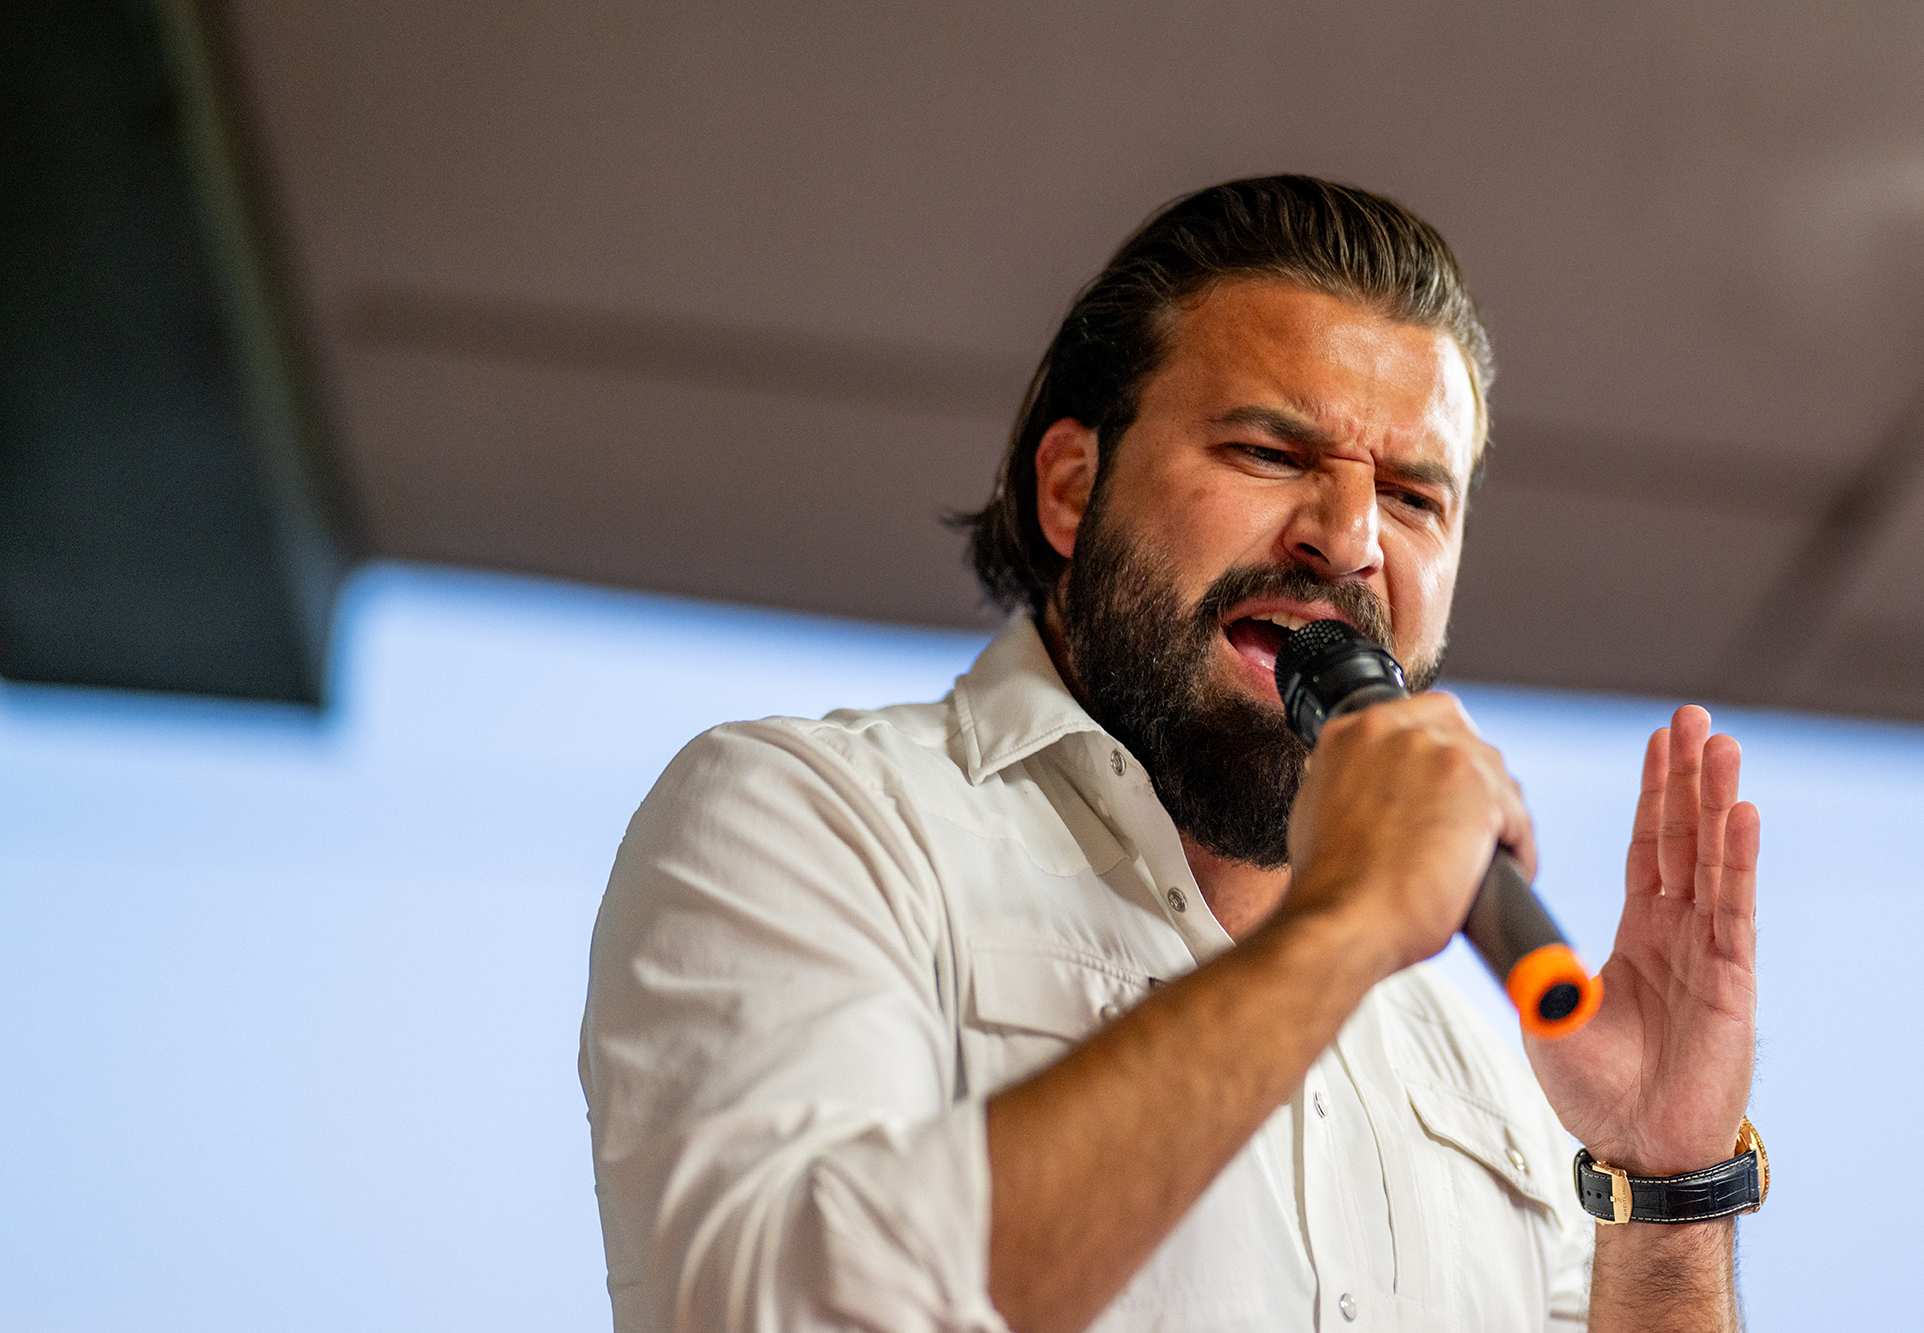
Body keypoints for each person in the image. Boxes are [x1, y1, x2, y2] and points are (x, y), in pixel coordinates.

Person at [580, 176, 1762, 1332]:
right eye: (1267, 452)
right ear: (1069, 488)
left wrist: (1661, 1184)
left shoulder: (1480, 1071)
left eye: (1412, 497)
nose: (1348, 538)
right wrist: (1342, 928)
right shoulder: (809, 821)